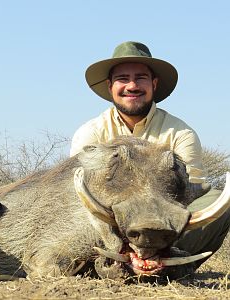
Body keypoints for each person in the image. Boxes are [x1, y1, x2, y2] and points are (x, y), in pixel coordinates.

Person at [70, 41, 230, 271]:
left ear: (154, 84)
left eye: (141, 78)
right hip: (112, 229)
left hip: (166, 228)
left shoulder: (180, 133)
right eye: (123, 78)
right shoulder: (91, 133)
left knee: (218, 201)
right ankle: (124, 259)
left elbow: (193, 192)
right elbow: (79, 196)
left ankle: (163, 260)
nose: (132, 86)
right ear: (110, 86)